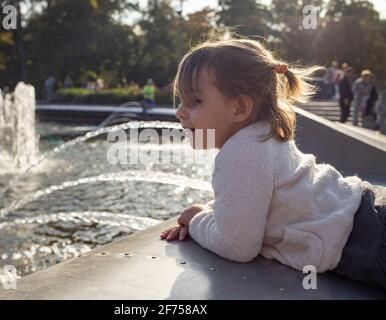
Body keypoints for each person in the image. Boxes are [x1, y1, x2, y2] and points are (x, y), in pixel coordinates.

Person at [160, 37, 386, 289]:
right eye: (181, 100)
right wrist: (211, 213)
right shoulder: (261, 134)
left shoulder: (241, 152)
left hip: (368, 240)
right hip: (365, 214)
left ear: (240, 108)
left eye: (195, 101)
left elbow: (237, 246)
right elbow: (248, 199)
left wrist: (195, 219)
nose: (180, 112)